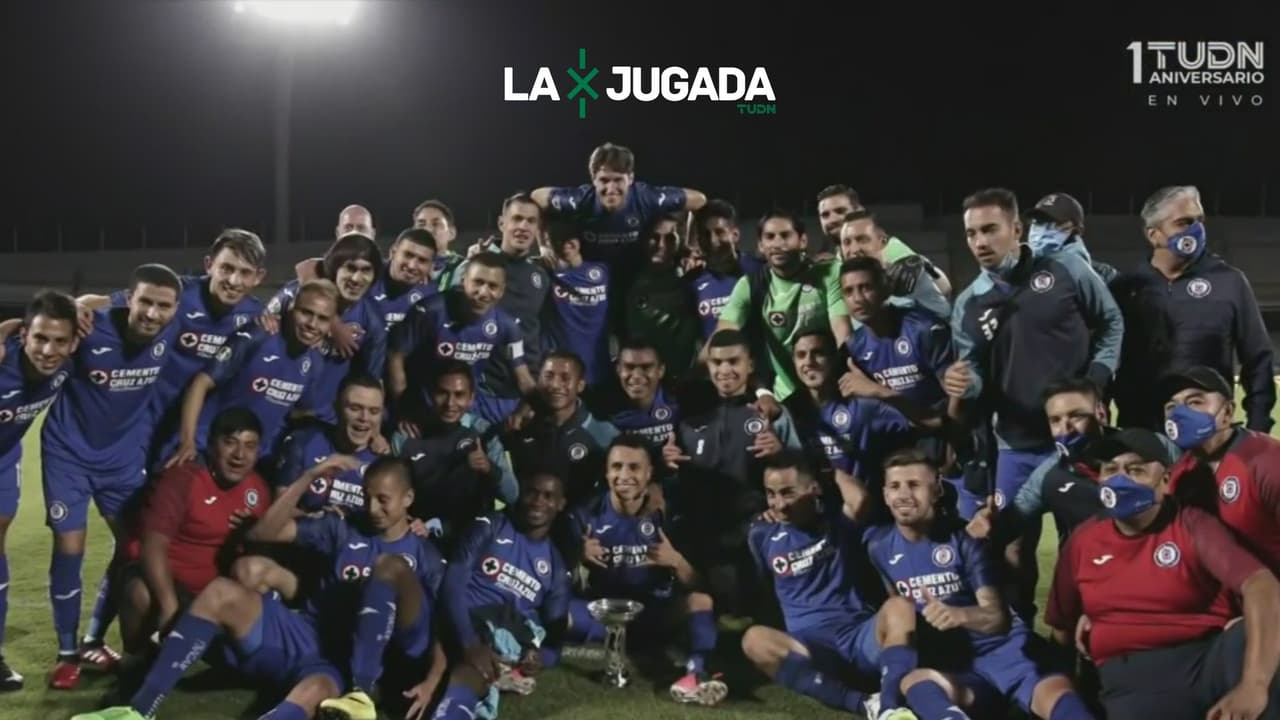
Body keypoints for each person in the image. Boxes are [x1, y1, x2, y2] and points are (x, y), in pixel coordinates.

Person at [73, 455, 447, 720]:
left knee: (312, 695)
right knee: (220, 590)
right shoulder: (343, 527)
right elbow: (263, 533)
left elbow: (441, 628)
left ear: (408, 499)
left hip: (344, 664)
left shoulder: (423, 554)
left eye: (383, 499)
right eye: (367, 496)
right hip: (304, 633)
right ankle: (139, 710)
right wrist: (308, 477)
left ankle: (355, 695)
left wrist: (432, 679)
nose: (373, 507)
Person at [1046, 428, 1280, 720]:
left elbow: (1261, 584)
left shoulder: (1192, 524)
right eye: (1111, 470)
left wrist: (1253, 686)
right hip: (1134, 679)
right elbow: (1061, 631)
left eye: (1135, 470)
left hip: (1206, 659)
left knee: (1261, 638)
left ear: (1166, 481)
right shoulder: (1082, 542)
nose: (1121, 480)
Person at [866, 449, 1094, 720]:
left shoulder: (965, 540)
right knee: (917, 683)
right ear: (884, 494)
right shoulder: (878, 547)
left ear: (937, 490)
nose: (903, 495)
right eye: (894, 486)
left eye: (914, 485)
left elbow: (998, 619)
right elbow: (898, 615)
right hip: (959, 670)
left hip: (1010, 654)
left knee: (1062, 702)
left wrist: (959, 615)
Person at [41, 263, 182, 689]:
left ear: (176, 309)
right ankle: (67, 655)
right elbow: (38, 329)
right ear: (127, 299)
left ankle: (93, 639)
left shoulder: (174, 325)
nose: (153, 314)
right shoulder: (91, 327)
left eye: (163, 306)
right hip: (68, 451)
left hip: (123, 458)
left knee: (133, 546)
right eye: (145, 302)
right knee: (70, 545)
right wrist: (78, 305)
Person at [741, 452, 919, 720]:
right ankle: (866, 705)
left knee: (900, 607)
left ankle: (891, 704)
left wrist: (826, 470)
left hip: (859, 636)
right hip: (812, 649)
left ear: (814, 489)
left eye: (788, 493)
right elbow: (763, 588)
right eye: (771, 494)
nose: (779, 504)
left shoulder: (837, 525)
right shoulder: (761, 535)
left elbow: (859, 500)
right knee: (754, 639)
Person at [567, 436, 728, 706]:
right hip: (602, 617)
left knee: (701, 601)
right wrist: (576, 557)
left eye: (634, 467)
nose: (624, 475)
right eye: (616, 467)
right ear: (606, 472)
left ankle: (698, 674)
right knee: (556, 607)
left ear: (649, 472)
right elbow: (555, 579)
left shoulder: (669, 513)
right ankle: (518, 660)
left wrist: (676, 561)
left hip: (654, 614)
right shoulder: (585, 514)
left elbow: (700, 584)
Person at [1112, 185, 1275, 433]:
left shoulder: (1229, 282)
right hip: (1143, 436)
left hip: (1208, 435)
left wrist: (1258, 425)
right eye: (1184, 222)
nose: (1196, 230)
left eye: (1199, 221)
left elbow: (1258, 360)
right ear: (1154, 234)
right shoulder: (1125, 288)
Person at [663, 329, 800, 619]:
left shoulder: (771, 414)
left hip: (750, 532)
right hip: (700, 531)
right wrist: (666, 462)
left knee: (739, 604)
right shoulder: (690, 414)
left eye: (733, 362)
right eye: (717, 363)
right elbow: (677, 476)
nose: (725, 370)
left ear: (750, 365)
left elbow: (802, 472)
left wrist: (779, 453)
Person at [116, 408, 271, 658]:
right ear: (211, 445)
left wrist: (250, 534)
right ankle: (134, 658)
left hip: (215, 593)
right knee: (138, 591)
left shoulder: (258, 490)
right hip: (172, 587)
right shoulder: (181, 478)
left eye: (250, 446)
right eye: (230, 443)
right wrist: (169, 605)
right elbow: (152, 545)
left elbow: (262, 556)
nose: (239, 455)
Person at [431, 473, 572, 720]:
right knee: (472, 661)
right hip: (458, 622)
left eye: (548, 496)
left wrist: (540, 659)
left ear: (561, 504)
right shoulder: (491, 525)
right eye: (532, 492)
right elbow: (453, 584)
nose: (538, 501)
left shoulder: (556, 568)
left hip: (497, 639)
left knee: (476, 668)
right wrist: (470, 642)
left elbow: (555, 640)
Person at [160, 279, 337, 468]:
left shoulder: (315, 362)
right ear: (292, 307)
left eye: (322, 318)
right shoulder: (258, 335)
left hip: (251, 462)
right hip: (205, 449)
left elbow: (299, 412)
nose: (312, 324)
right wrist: (188, 442)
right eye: (306, 313)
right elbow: (200, 383)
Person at [0, 290, 77, 690]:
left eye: (59, 341)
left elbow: (119, 303)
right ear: (23, 336)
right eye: (39, 339)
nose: (48, 350)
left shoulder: (68, 365)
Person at [717, 209, 852, 401]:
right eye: (770, 237)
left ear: (802, 241)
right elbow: (723, 338)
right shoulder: (750, 286)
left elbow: (843, 334)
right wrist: (761, 391)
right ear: (761, 246)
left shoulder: (829, 274)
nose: (778, 244)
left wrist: (848, 376)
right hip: (786, 398)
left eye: (785, 236)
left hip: (835, 390)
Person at [388, 253, 536, 426]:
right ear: (463, 280)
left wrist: (523, 412)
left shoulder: (507, 326)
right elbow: (395, 357)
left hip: (461, 408)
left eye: (493, 286)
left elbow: (524, 379)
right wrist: (403, 411)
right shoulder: (430, 310)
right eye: (478, 282)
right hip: (419, 405)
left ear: (502, 290)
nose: (483, 293)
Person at [1161, 366, 1280, 574]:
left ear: (1227, 412)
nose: (1180, 414)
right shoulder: (1178, 475)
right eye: (1171, 406)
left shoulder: (1268, 462)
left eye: (1195, 402)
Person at [394, 361, 517, 551]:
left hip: (470, 538)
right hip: (417, 535)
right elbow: (392, 493)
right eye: (443, 393)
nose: (450, 403)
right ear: (430, 394)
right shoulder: (406, 435)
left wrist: (488, 468)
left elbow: (512, 494)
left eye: (459, 395)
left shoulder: (483, 433)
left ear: (471, 399)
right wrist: (408, 521)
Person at [267, 233, 387, 426]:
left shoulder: (372, 322)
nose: (357, 278)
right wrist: (334, 323)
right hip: (272, 408)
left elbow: (371, 383)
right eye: (350, 268)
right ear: (335, 268)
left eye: (366, 270)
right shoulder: (296, 294)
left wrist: (375, 431)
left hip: (324, 421)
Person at [450, 194, 555, 411]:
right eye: (516, 219)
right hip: (480, 392)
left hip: (525, 391)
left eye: (531, 221)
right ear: (501, 223)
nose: (523, 226)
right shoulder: (474, 267)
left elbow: (540, 330)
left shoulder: (540, 275)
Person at [531, 141, 705, 271]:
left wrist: (692, 246)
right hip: (593, 278)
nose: (611, 189)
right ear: (594, 180)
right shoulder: (580, 200)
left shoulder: (647, 198)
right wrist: (544, 248)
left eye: (618, 180)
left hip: (635, 277)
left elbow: (699, 200)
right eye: (604, 180)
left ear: (630, 178)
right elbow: (537, 197)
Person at [785, 329, 915, 500]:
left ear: (834, 358)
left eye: (818, 353)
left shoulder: (862, 404)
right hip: (811, 515)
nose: (809, 362)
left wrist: (881, 392)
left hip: (864, 514)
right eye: (801, 355)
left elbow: (919, 422)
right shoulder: (788, 411)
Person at [504, 352, 619, 508]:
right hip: (527, 522)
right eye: (549, 376)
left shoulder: (603, 432)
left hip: (578, 524)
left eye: (565, 378)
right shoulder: (520, 425)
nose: (555, 385)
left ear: (580, 385)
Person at [840, 256, 952, 412]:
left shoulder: (925, 330)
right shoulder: (854, 347)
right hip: (894, 432)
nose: (858, 299)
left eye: (865, 288)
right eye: (849, 292)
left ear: (885, 290)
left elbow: (957, 400)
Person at [274, 373, 386, 513]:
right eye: (355, 408)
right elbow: (278, 511)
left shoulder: (384, 463)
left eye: (374, 411)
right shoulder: (304, 443)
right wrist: (319, 522)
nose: (364, 418)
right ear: (336, 408)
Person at [624, 215, 701, 377]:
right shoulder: (625, 279)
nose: (661, 245)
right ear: (644, 239)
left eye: (670, 238)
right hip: (642, 377)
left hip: (682, 378)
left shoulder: (693, 277)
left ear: (680, 241)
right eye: (654, 237)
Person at [838, 210, 951, 319]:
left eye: (862, 240)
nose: (854, 249)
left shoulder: (906, 277)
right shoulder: (840, 285)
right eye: (847, 242)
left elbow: (945, 292)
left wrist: (924, 265)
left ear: (882, 241)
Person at [543, 221, 611, 388]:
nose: (565, 245)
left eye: (568, 240)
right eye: (553, 241)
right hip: (561, 378)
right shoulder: (544, 275)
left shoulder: (604, 271)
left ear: (575, 243)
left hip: (599, 371)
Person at [687, 200, 762, 340]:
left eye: (720, 232)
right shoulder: (691, 283)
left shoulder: (759, 271)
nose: (713, 241)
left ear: (735, 235)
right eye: (706, 234)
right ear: (698, 240)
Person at [1024, 192, 1117, 282]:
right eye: (1038, 222)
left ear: (1076, 230)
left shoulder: (1099, 277)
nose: (1042, 230)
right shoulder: (1018, 272)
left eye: (1055, 223)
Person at [816, 184, 917, 263]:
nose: (832, 219)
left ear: (859, 211)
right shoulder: (839, 258)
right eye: (825, 215)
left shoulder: (892, 250)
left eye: (840, 211)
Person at [368, 228, 438, 332]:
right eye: (408, 255)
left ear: (431, 266)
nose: (412, 266)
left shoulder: (431, 295)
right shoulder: (367, 276)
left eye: (422, 260)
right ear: (393, 252)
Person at [412, 199, 462, 281]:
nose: (428, 230)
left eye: (436, 224)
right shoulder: (403, 269)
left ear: (451, 233)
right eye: (421, 224)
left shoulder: (463, 268)